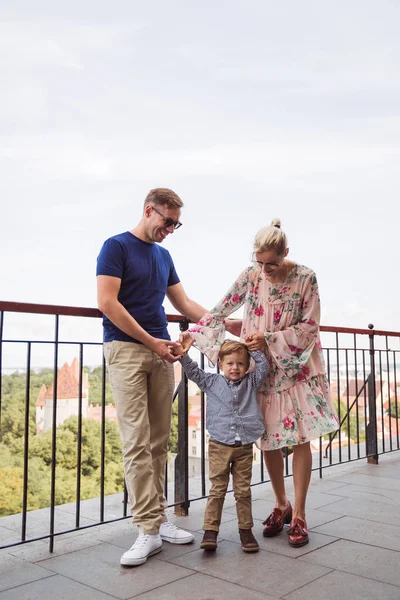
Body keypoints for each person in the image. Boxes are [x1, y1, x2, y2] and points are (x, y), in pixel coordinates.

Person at [182, 219, 339, 548]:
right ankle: (282, 504)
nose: (265, 269)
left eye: (273, 263)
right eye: (260, 262)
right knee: (266, 436)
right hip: (262, 369)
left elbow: (310, 327)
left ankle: (301, 515)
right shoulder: (250, 275)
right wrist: (193, 335)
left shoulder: (306, 277)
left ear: (286, 253)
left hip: (296, 366)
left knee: (300, 438)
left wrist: (268, 338)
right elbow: (221, 309)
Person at [96, 188, 207, 567]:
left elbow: (185, 304)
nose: (171, 229)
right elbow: (107, 303)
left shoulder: (164, 256)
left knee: (160, 439)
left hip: (162, 354)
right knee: (136, 441)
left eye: (177, 223)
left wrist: (221, 325)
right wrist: (151, 342)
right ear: (149, 210)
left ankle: (159, 521)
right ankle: (146, 528)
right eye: (167, 221)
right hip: (127, 351)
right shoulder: (115, 247)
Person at [178, 340, 268, 553]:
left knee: (243, 491)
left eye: (239, 363)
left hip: (244, 445)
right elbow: (192, 371)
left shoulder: (251, 382)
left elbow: (263, 367)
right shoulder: (211, 382)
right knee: (217, 489)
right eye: (230, 363)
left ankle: (245, 530)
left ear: (246, 366)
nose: (235, 367)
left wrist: (252, 348)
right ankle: (210, 531)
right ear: (220, 364)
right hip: (219, 444)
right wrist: (183, 355)